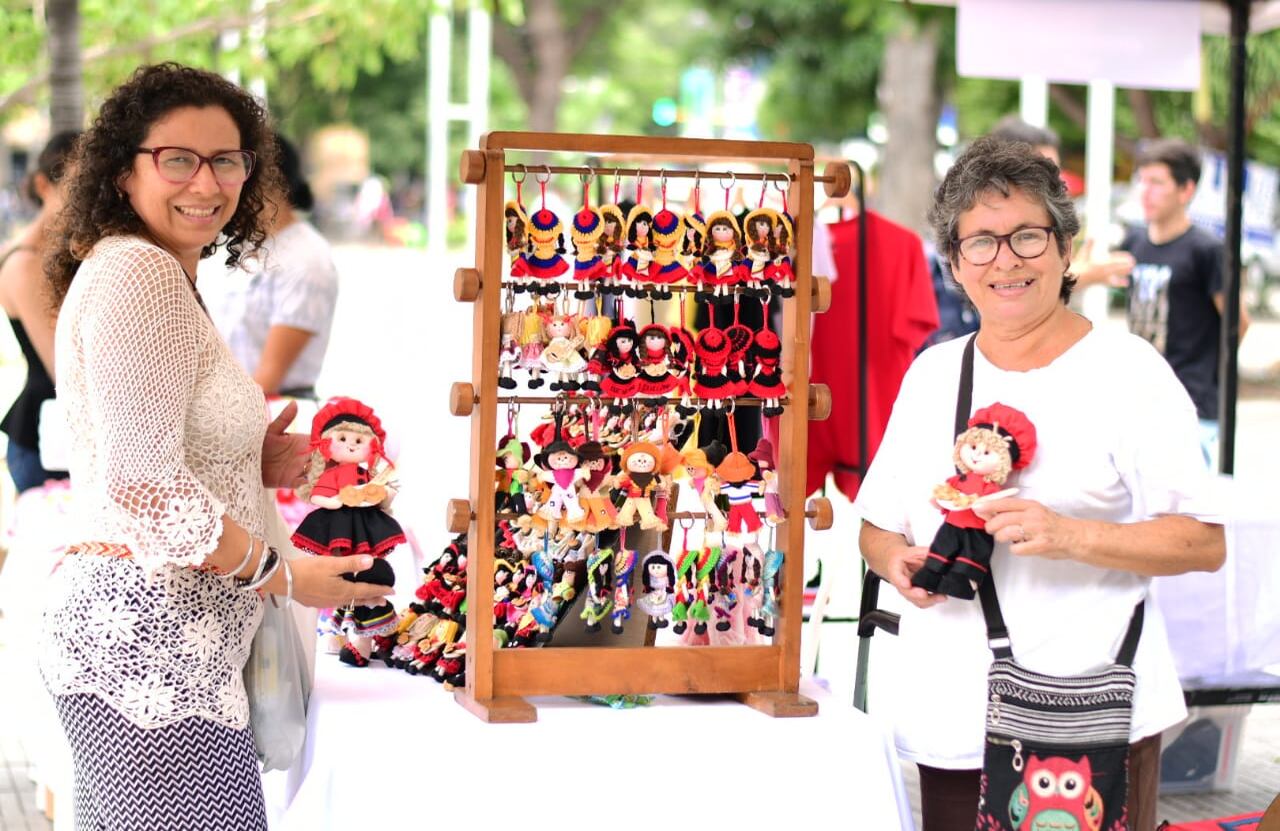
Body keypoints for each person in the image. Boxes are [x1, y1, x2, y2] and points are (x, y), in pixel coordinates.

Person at [37, 63, 389, 830]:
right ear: (124, 171)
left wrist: (251, 459)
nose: (206, 182)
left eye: (226, 159)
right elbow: (143, 486)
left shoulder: (150, 268)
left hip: (155, 648)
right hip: (150, 651)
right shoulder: (142, 273)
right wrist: (284, 575)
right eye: (178, 159)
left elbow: (149, 446)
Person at [855, 136, 1224, 831]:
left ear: (1064, 247)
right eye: (980, 242)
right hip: (955, 717)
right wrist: (894, 561)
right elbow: (876, 525)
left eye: (1027, 235)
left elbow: (1202, 542)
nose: (1006, 260)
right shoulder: (932, 374)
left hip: (1092, 712)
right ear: (955, 264)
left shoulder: (1129, 372)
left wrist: (1071, 534)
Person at [1117, 138, 1249, 466]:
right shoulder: (1133, 242)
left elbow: (1238, 323)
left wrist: (1209, 372)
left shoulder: (1206, 250)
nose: (1145, 191)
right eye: (1142, 181)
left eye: (1157, 182)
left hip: (1193, 399)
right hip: (1140, 394)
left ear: (1186, 190)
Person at [201, 133, 338, 397]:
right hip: (228, 403)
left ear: (267, 181)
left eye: (230, 170)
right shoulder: (238, 244)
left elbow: (268, 377)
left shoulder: (307, 259)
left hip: (271, 410)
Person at [0, 131, 79, 492]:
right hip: (45, 440)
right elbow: (63, 367)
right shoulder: (24, 263)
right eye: (77, 186)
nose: (88, 199)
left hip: (70, 435)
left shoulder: (73, 251)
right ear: (44, 185)